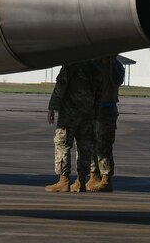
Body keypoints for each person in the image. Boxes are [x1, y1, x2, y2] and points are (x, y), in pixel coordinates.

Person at [45, 56, 109, 192]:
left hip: (70, 112)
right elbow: (99, 92)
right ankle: (81, 181)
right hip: (88, 113)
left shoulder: (70, 64)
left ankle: (64, 181)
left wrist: (52, 107)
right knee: (84, 146)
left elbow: (61, 86)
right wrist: (95, 111)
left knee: (62, 144)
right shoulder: (94, 68)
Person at [89, 54, 128, 192]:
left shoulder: (116, 66)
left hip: (107, 109)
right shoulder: (94, 63)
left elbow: (117, 80)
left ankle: (106, 178)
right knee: (92, 144)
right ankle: (94, 175)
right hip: (94, 109)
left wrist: (110, 62)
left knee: (103, 145)